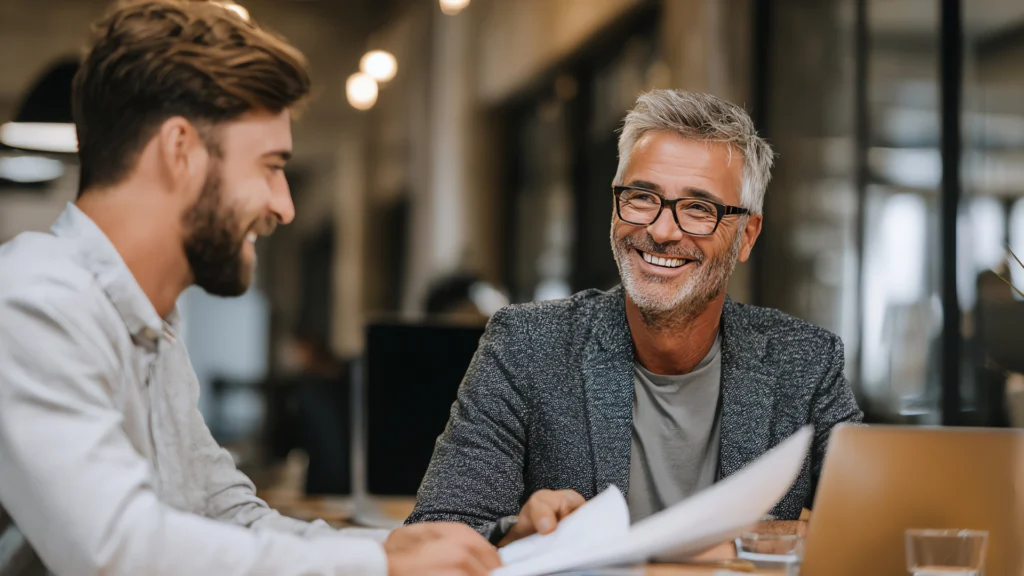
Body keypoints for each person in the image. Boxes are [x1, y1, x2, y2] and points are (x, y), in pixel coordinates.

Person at [0, 2, 499, 575]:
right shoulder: (35, 299)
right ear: (179, 150)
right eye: (269, 166)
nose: (283, 206)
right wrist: (376, 569)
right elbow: (118, 551)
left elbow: (224, 510)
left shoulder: (146, 322)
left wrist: (388, 549)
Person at [407, 89, 864, 546]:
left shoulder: (804, 363)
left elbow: (874, 528)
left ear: (746, 236)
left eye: (699, 208)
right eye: (643, 197)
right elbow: (433, 539)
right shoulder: (526, 346)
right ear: (614, 205)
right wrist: (518, 533)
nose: (662, 231)